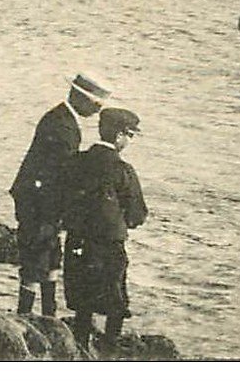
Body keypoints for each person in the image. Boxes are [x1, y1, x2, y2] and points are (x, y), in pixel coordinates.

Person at [10, 71, 112, 318]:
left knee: (50, 256)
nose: (98, 111)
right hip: (38, 201)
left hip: (39, 198)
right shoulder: (62, 127)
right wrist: (57, 214)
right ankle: (28, 315)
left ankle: (47, 313)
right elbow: (57, 176)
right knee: (37, 258)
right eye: (96, 104)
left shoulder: (61, 118)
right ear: (80, 98)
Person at [63, 108, 147, 355]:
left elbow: (62, 198)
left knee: (83, 301)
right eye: (129, 135)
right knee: (115, 302)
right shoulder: (122, 171)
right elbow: (137, 214)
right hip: (108, 246)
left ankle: (80, 348)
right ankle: (109, 354)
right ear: (120, 136)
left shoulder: (76, 161)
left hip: (77, 242)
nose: (129, 141)